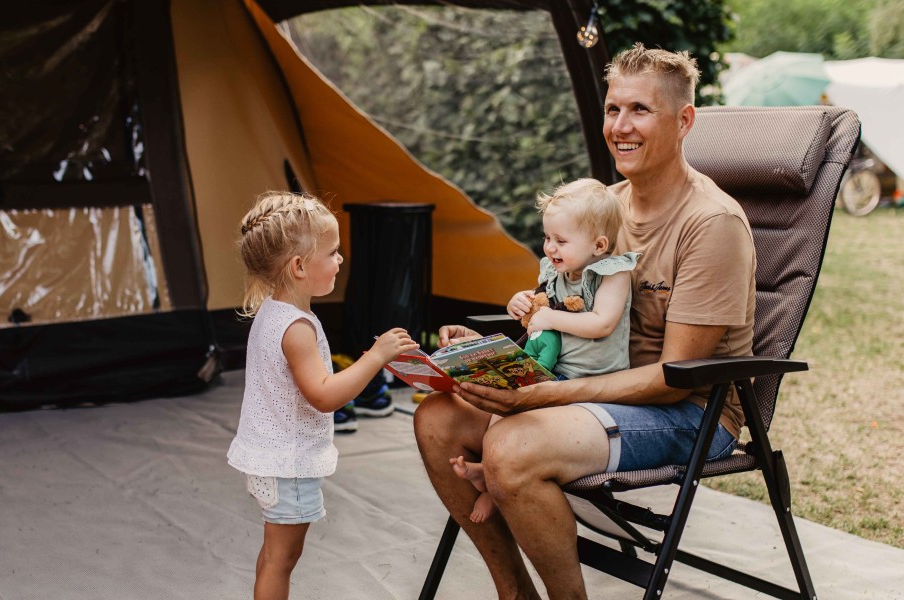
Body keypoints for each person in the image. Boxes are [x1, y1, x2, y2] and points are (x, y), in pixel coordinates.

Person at [414, 42, 756, 599]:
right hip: (590, 392)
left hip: (690, 414)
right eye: (612, 109)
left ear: (684, 119)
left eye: (640, 109)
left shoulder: (712, 224)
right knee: (436, 419)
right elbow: (555, 317)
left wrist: (542, 399)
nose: (620, 126)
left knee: (512, 450)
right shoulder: (600, 209)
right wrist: (494, 348)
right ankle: (514, 591)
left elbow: (675, 380)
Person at [226, 191, 418, 600]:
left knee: (272, 555)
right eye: (332, 252)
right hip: (288, 463)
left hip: (270, 457)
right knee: (282, 560)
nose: (340, 260)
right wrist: (376, 357)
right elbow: (324, 396)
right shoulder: (297, 328)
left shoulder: (271, 310)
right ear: (298, 266)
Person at [451, 179, 640, 524]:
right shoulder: (557, 270)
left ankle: (493, 481)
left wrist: (549, 316)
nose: (550, 247)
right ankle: (488, 472)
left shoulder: (613, 274)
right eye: (547, 237)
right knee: (504, 397)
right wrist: (519, 302)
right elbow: (540, 303)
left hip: (597, 383)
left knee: (522, 421)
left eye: (561, 240)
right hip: (556, 371)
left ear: (599, 244)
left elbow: (602, 324)